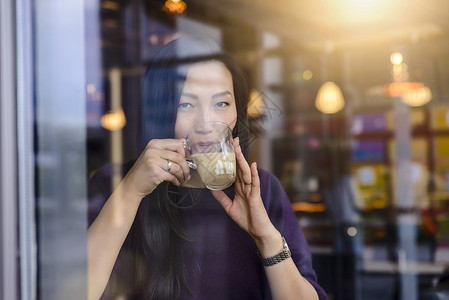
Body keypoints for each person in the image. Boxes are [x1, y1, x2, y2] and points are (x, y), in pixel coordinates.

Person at [87, 36, 326, 300]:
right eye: (186, 104)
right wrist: (130, 191)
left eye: (221, 104)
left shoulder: (260, 190)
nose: (207, 123)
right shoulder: (113, 183)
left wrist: (266, 237)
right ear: (159, 110)